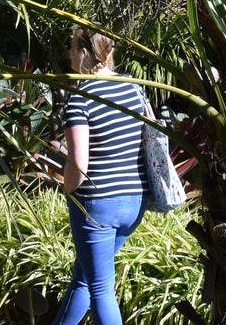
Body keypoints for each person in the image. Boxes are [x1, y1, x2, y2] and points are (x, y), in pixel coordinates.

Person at [50, 26, 150, 325]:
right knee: (84, 277)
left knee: (101, 289)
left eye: (71, 47)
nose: (68, 53)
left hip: (97, 204)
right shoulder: (133, 87)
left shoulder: (80, 98)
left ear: (84, 52)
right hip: (134, 201)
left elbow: (78, 164)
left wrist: (67, 189)